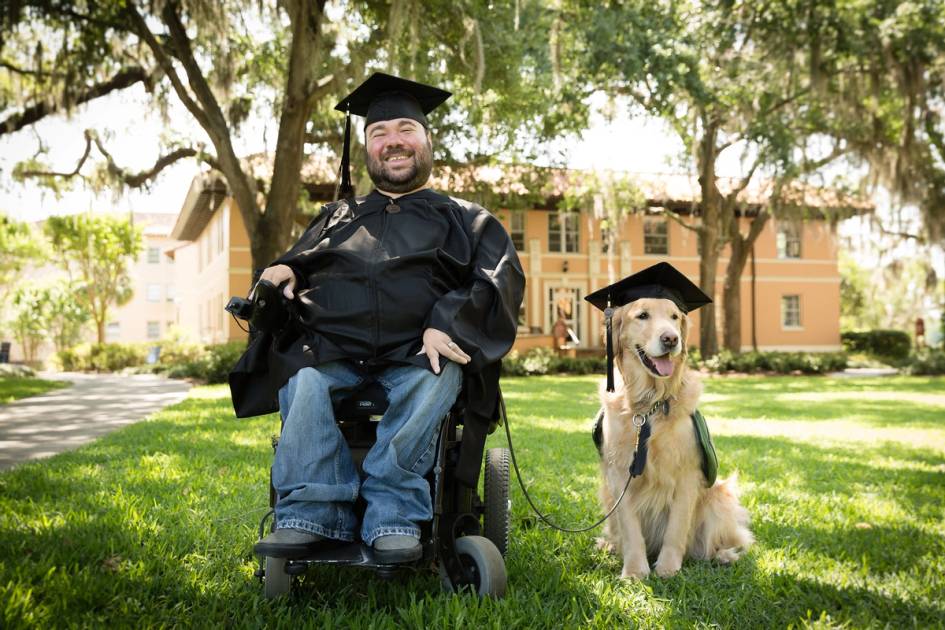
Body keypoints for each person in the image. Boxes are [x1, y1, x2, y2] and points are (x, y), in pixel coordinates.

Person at [228, 73, 525, 563]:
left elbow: (498, 279)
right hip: (332, 349)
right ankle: (309, 514)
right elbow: (297, 263)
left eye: (405, 128)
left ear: (428, 141)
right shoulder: (336, 218)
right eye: (378, 133)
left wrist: (445, 322)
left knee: (433, 376)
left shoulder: (467, 219)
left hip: (417, 352)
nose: (393, 142)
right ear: (366, 148)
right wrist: (281, 268)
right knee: (302, 378)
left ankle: (392, 514)